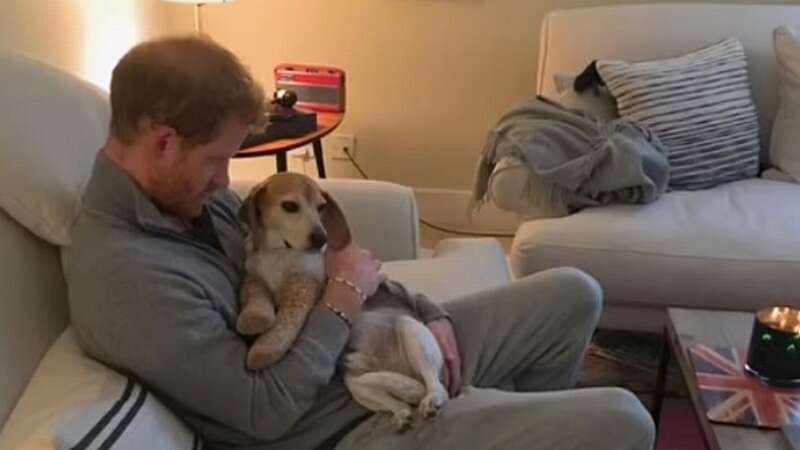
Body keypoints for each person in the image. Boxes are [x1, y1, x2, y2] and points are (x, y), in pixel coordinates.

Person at [65, 35, 655, 450]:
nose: (226, 180)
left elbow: (319, 269)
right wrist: (344, 296)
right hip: (351, 423)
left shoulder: (190, 200)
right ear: (163, 142)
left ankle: (505, 418)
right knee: (625, 419)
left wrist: (429, 313)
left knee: (575, 293)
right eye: (218, 159)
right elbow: (262, 412)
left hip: (377, 347)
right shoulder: (125, 275)